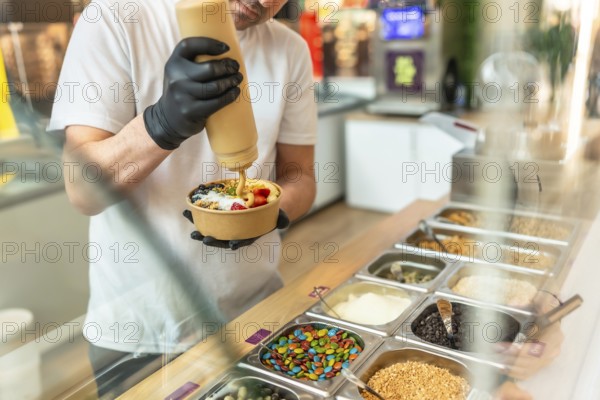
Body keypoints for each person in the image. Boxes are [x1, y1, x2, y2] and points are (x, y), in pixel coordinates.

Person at [48, 0, 316, 396]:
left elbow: (300, 177)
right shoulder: (115, 19)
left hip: (254, 314)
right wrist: (162, 123)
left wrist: (268, 215)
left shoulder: (288, 49)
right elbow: (83, 191)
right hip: (141, 333)